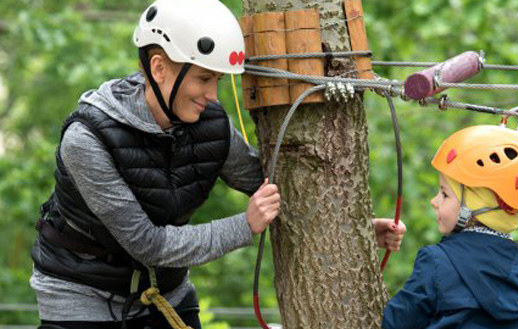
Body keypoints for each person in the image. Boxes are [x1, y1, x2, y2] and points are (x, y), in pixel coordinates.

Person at [30, 0, 406, 328]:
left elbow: (269, 187)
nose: (212, 96)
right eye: (204, 78)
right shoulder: (87, 140)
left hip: (166, 290)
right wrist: (244, 226)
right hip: (80, 295)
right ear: (158, 68)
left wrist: (350, 230)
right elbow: (148, 244)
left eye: (218, 81)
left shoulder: (211, 125)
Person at [382, 125, 518, 329]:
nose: (434, 201)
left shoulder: (438, 263)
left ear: (474, 206)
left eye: (444, 194)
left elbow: (394, 324)